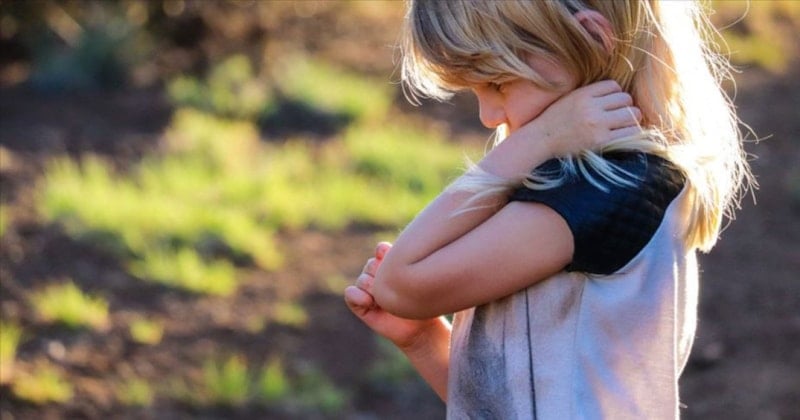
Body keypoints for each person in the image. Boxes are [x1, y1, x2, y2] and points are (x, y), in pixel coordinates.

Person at [345, 0, 754, 418]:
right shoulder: (585, 182)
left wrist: (534, 140)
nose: (489, 116)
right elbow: (513, 405)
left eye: (498, 83)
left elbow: (400, 284)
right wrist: (423, 340)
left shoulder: (605, 191)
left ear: (591, 38)